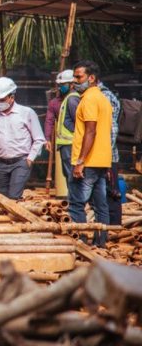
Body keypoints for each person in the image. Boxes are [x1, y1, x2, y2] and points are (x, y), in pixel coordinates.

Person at [70, 61, 111, 247]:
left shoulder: (88, 99)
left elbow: (91, 131)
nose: (75, 81)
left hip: (88, 162)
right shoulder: (103, 98)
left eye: (79, 77)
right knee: (100, 205)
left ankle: (82, 241)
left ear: (91, 78)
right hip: (101, 160)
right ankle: (101, 242)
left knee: (77, 203)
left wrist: (80, 161)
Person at [0, 77, 45, 200]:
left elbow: (39, 139)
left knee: (13, 196)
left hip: (21, 162)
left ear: (11, 97)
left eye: (1, 100)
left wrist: (29, 159)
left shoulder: (27, 113)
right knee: (0, 199)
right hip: (1, 163)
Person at [54, 70, 80, 203]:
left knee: (72, 176)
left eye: (62, 84)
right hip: (66, 145)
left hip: (70, 145)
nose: (59, 87)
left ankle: (75, 203)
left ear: (71, 84)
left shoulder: (72, 100)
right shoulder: (68, 99)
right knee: (68, 175)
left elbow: (79, 123)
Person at [97, 80, 121, 225]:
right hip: (101, 156)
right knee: (104, 193)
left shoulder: (105, 96)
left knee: (111, 193)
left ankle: (114, 228)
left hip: (107, 157)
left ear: (91, 78)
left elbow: (112, 129)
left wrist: (106, 155)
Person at [45, 70, 75, 154]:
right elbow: (49, 121)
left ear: (72, 84)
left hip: (78, 142)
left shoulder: (77, 99)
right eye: (60, 85)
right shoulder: (54, 103)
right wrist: (47, 139)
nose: (61, 87)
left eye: (63, 84)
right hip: (64, 144)